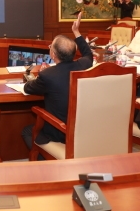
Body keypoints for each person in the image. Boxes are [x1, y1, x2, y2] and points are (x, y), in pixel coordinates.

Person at [21, 13, 93, 152]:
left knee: (27, 131)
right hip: (84, 129)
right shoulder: (84, 64)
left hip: (60, 132)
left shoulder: (48, 75)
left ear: (53, 54)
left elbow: (27, 88)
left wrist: (37, 78)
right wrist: (76, 32)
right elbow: (88, 54)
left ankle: (46, 161)